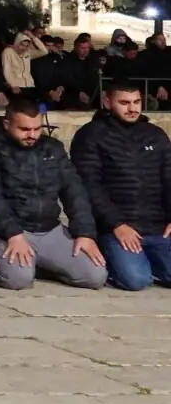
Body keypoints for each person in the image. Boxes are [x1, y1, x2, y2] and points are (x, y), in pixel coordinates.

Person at [0, 97, 107, 290]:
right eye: (24, 129)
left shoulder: (53, 148)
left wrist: (84, 233)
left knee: (95, 276)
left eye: (37, 129)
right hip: (12, 231)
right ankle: (25, 263)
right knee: (18, 280)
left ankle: (42, 263)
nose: (32, 135)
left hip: (50, 228)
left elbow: (74, 190)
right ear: (6, 124)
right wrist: (12, 233)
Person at [70, 79, 171, 290]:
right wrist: (116, 224)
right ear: (107, 102)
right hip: (116, 228)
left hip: (157, 227)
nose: (132, 108)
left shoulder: (155, 135)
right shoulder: (90, 135)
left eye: (136, 102)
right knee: (135, 280)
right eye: (124, 103)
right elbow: (89, 185)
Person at [51, 34, 102, 111]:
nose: (85, 50)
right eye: (82, 48)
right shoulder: (68, 61)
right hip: (73, 93)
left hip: (91, 93)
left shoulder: (93, 60)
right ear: (76, 48)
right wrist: (79, 92)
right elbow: (68, 78)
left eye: (87, 48)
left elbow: (97, 76)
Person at [2, 29, 50, 104]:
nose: (23, 48)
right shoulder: (8, 51)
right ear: (17, 43)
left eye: (26, 46)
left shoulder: (27, 53)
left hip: (29, 85)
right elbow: (7, 70)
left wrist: (33, 37)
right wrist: (13, 85)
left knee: (44, 98)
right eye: (22, 45)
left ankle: (42, 115)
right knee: (24, 103)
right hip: (16, 86)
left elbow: (44, 51)